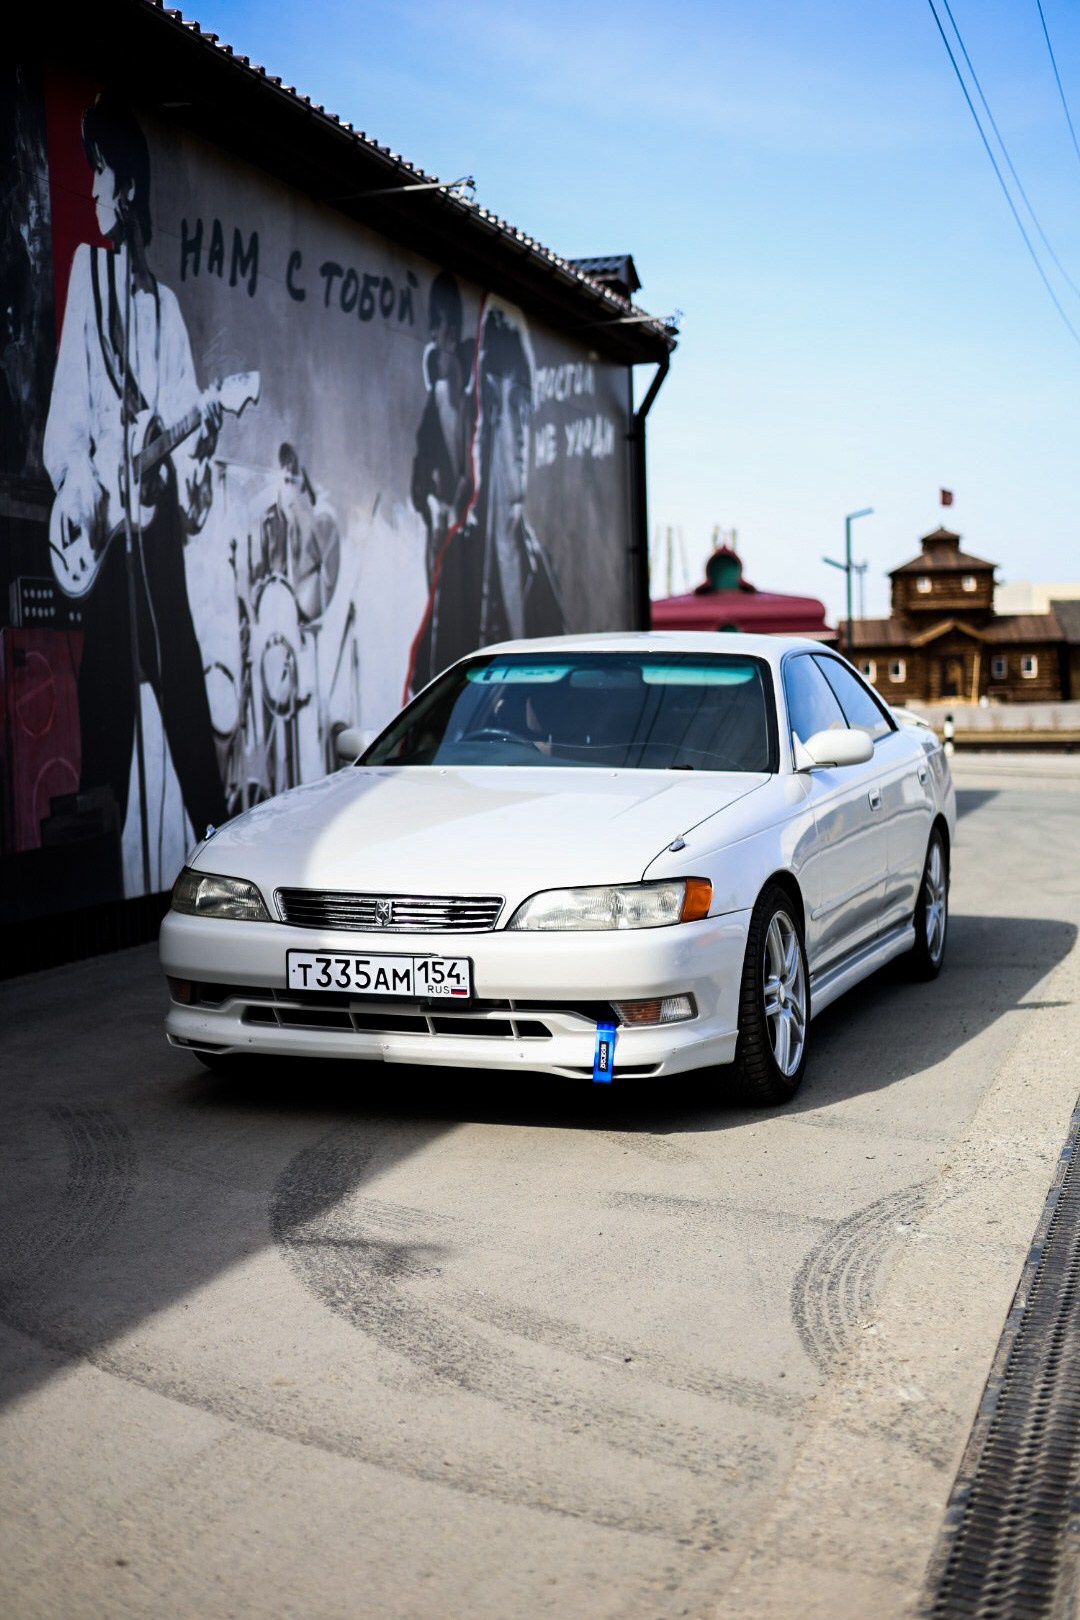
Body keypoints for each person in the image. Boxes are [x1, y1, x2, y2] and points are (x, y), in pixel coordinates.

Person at [43, 92, 226, 878]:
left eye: (100, 171)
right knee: (106, 717)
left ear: (128, 185)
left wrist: (202, 433)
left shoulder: (167, 311)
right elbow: (65, 426)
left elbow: (184, 436)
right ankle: (89, 895)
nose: (90, 187)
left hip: (155, 541)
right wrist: (85, 488)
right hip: (105, 543)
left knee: (184, 691)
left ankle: (223, 860)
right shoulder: (87, 277)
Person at [407, 301, 564, 695]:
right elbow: (431, 702)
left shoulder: (540, 566)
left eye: (524, 407)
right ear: (486, 415)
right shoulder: (456, 562)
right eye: (505, 405)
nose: (520, 431)